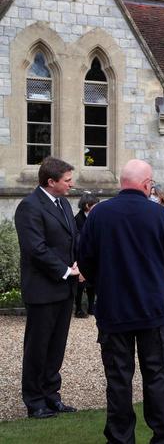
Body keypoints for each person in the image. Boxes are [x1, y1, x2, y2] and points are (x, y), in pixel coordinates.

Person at [78, 159, 164, 443]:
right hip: (153, 310)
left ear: (121, 182)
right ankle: (163, 437)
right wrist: (160, 287)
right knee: (157, 377)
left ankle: (120, 438)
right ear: (147, 184)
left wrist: (105, 285)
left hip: (114, 310)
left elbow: (85, 259)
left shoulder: (99, 215)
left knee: (118, 380)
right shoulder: (160, 216)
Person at [14, 156, 80, 419]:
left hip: (64, 289)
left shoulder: (63, 203)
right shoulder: (29, 207)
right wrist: (65, 271)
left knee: (56, 347)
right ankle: (34, 401)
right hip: (42, 290)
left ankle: (52, 396)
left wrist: (78, 265)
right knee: (37, 348)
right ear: (50, 181)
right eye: (67, 180)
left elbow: (71, 239)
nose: (71, 184)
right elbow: (35, 249)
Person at [74, 192, 100, 318]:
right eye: (95, 204)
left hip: (92, 254)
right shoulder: (78, 219)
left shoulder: (95, 217)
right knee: (80, 285)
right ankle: (78, 308)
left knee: (92, 284)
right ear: (87, 205)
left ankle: (91, 307)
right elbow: (78, 240)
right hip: (80, 255)